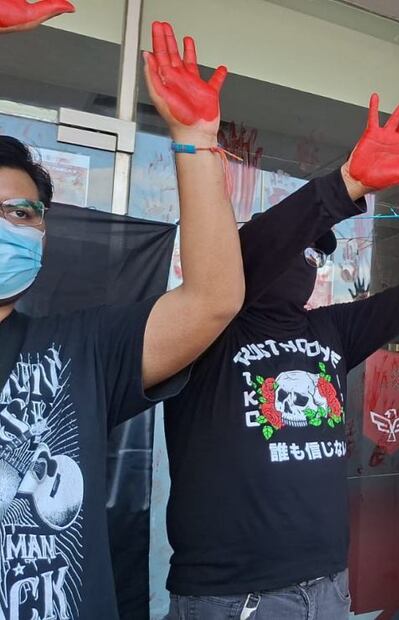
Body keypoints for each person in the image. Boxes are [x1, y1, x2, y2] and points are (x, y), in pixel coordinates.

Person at [161, 100, 399, 617]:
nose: (310, 264)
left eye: (316, 256)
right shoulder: (209, 328)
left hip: (327, 587)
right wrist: (343, 187)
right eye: (301, 250)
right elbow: (255, 254)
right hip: (234, 597)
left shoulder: (330, 329)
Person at [0, 20, 243, 619]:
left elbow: (213, 299)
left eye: (23, 213)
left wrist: (192, 140)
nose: (8, 225)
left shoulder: (78, 348)